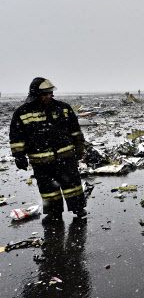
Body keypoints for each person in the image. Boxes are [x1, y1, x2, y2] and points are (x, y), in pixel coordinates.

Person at [9, 78, 87, 223]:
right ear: (35, 94)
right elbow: (16, 137)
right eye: (44, 94)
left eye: (50, 93)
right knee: (48, 189)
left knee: (73, 186)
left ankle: (78, 209)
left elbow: (75, 131)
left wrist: (79, 147)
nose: (48, 96)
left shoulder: (63, 108)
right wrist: (19, 156)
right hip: (41, 160)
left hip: (66, 157)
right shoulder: (22, 113)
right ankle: (53, 213)